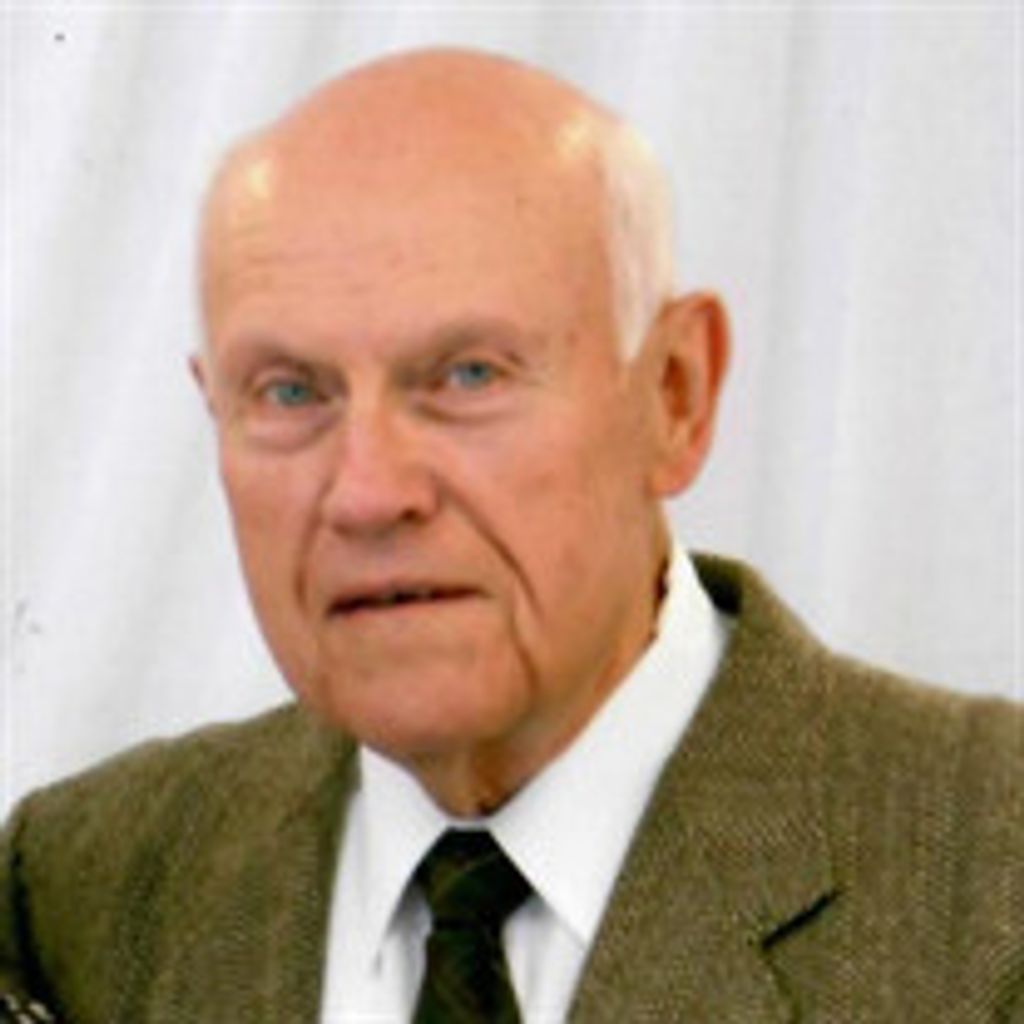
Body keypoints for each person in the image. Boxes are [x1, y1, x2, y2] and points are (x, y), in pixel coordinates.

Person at [1, 47, 1021, 1023]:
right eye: (290, 392)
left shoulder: (991, 872)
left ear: (675, 394)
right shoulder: (85, 886)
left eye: (468, 375)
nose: (368, 492)